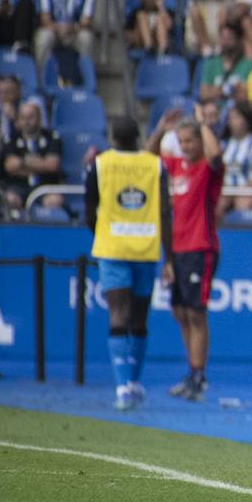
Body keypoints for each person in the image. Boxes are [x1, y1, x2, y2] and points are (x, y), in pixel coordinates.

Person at [86, 117, 172, 412]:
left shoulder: (100, 163)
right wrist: (170, 256)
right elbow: (165, 212)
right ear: (138, 134)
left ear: (112, 136)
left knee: (118, 315)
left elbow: (88, 209)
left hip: (112, 248)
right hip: (145, 248)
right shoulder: (154, 164)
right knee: (139, 319)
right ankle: (133, 382)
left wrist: (102, 234)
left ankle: (122, 386)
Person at [149, 108, 223, 402]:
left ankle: (199, 374)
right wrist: (159, 130)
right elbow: (148, 158)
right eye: (181, 141)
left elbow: (216, 155)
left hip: (200, 247)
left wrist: (204, 124)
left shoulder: (207, 168)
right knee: (180, 312)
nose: (185, 146)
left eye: (190, 141)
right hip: (176, 250)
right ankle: (191, 370)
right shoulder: (176, 166)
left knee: (196, 312)